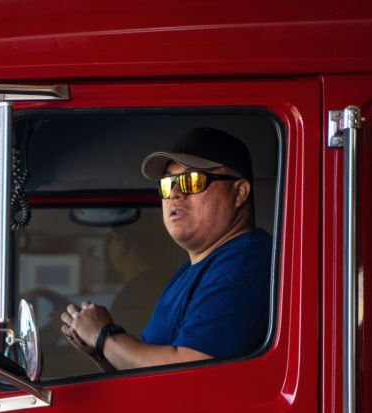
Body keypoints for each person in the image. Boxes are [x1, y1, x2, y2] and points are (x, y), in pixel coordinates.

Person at [60, 127, 272, 370]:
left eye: (192, 181)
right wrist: (100, 351)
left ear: (239, 193)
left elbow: (190, 373)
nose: (174, 193)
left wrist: (105, 337)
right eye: (167, 183)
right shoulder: (192, 269)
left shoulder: (246, 264)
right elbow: (152, 376)